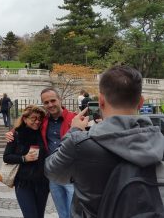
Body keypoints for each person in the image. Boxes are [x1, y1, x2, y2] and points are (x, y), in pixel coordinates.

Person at [45, 66, 164, 218]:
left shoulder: (79, 144)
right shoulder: (160, 143)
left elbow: (52, 170)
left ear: (101, 101)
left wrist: (74, 130)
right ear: (141, 102)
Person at [6, 88, 76, 218]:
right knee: (62, 214)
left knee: (75, 214)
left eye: (53, 100)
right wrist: (11, 133)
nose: (50, 104)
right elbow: (26, 123)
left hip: (71, 176)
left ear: (60, 99)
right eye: (46, 102)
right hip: (51, 177)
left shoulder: (74, 118)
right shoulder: (43, 121)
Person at [3, 105, 49, 218]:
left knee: (39, 215)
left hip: (42, 183)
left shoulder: (43, 133)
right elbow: (7, 157)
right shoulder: (17, 134)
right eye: (33, 118)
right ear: (25, 119)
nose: (37, 122)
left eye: (39, 119)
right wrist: (24, 158)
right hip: (24, 183)